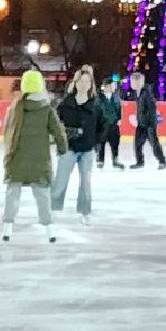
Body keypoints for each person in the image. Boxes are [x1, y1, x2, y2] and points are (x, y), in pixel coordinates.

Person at [2, 69, 68, 243]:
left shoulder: (15, 108)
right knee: (42, 195)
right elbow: (59, 132)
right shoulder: (46, 109)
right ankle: (49, 229)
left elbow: (7, 132)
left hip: (17, 158)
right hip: (39, 161)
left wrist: (8, 153)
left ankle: (7, 228)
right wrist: (62, 149)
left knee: (12, 193)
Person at [52, 67, 105, 223]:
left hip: (87, 150)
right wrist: (62, 138)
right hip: (69, 149)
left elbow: (103, 126)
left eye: (87, 82)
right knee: (60, 180)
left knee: (86, 183)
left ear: (91, 84)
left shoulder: (96, 104)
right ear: (75, 83)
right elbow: (55, 124)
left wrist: (95, 141)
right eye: (81, 81)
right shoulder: (65, 103)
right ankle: (53, 209)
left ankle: (85, 212)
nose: (84, 84)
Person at [129, 72, 166, 170]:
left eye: (133, 81)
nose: (131, 84)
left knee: (154, 144)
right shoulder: (138, 92)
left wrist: (150, 123)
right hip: (142, 123)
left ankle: (162, 161)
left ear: (139, 81)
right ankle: (140, 162)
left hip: (149, 124)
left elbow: (152, 107)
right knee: (137, 144)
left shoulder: (146, 92)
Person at [95, 78, 124, 169]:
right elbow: (97, 111)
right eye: (111, 85)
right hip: (102, 124)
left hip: (113, 124)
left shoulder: (115, 97)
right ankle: (100, 160)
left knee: (115, 143)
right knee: (101, 143)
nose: (113, 87)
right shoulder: (99, 98)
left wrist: (119, 118)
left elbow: (118, 109)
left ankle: (115, 160)